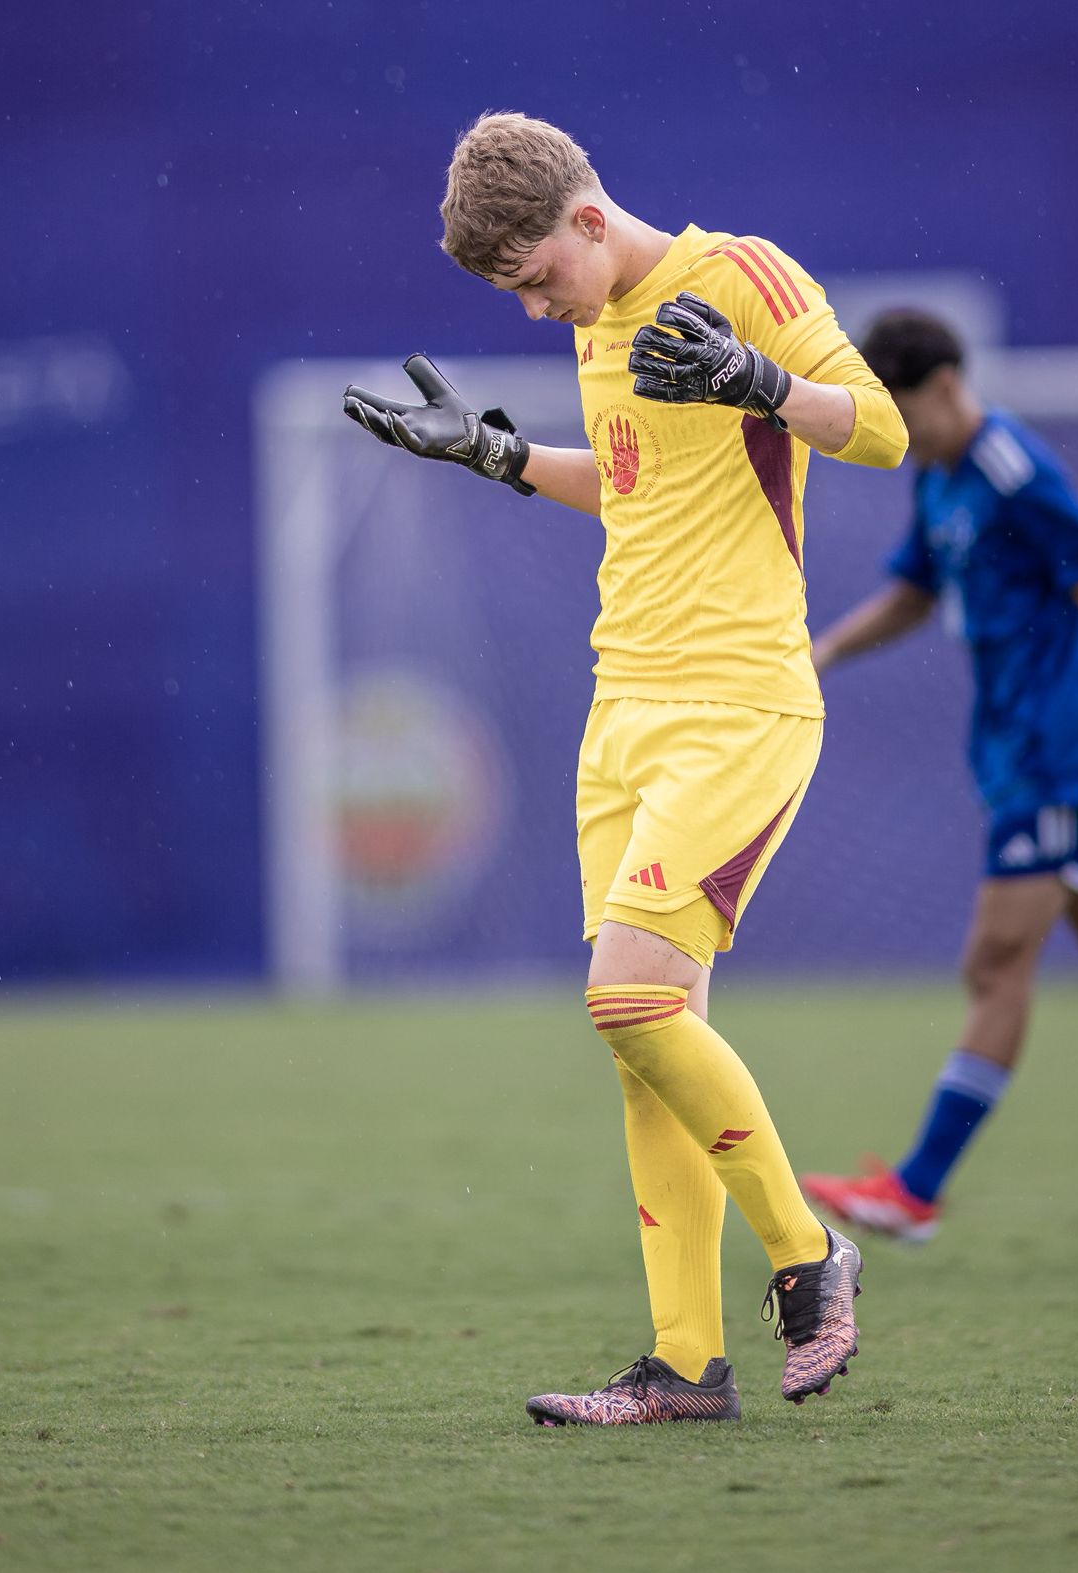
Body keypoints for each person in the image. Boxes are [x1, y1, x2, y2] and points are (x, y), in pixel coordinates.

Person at [343, 112, 907, 1425]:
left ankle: (810, 1255)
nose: (537, 308)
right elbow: (637, 482)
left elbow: (880, 428)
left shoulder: (742, 275)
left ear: (589, 219)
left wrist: (760, 382)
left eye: (538, 277)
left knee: (629, 1000)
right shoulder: (599, 316)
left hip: (738, 706)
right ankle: (685, 1365)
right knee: (648, 1041)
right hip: (624, 717)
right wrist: (495, 455)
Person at [801, 310, 1078, 1243]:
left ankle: (915, 1190)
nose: (895, 432)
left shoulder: (1013, 472)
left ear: (946, 385)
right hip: (1020, 755)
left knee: (994, 962)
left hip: (1060, 761)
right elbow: (915, 591)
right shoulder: (938, 472)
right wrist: (822, 652)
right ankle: (914, 1191)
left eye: (902, 409)